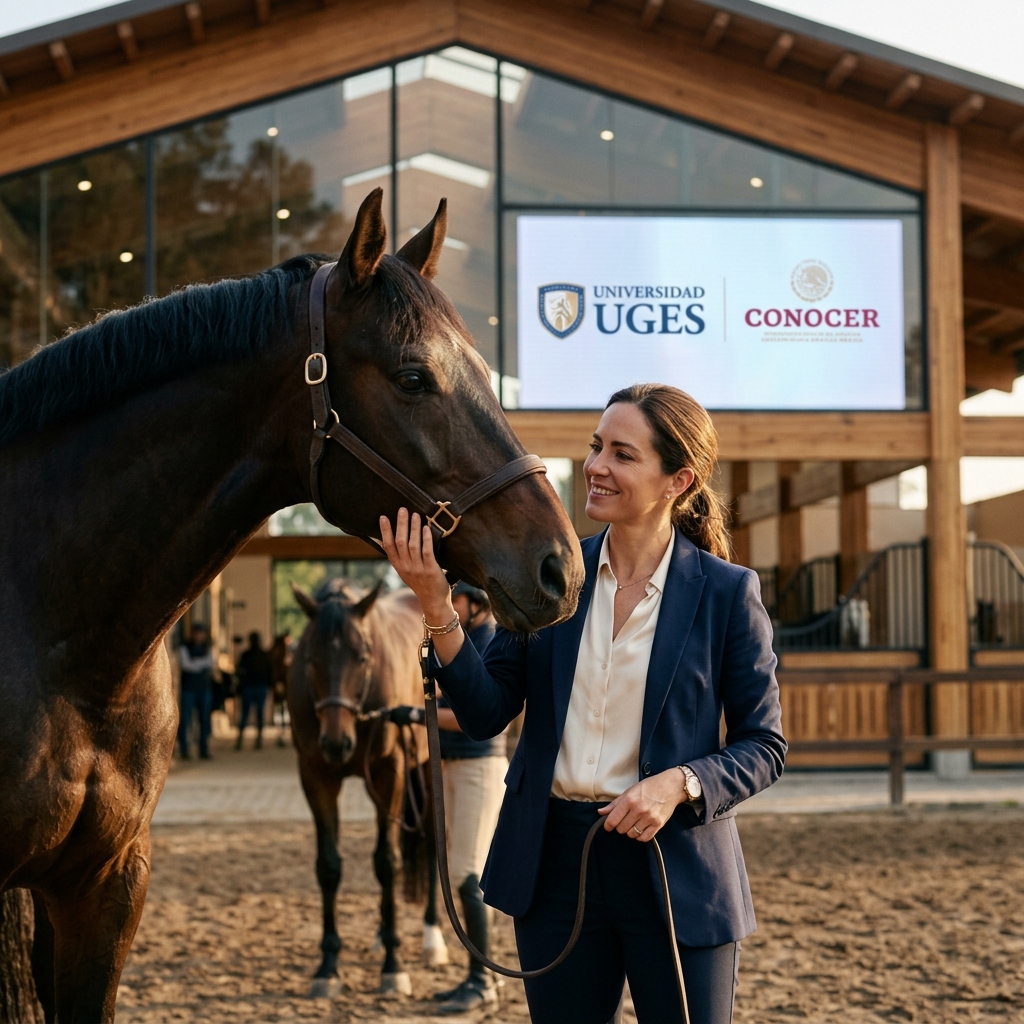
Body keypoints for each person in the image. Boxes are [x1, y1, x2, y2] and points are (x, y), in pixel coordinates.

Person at [379, 383, 786, 1024]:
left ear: (677, 480)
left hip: (675, 867)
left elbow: (765, 745)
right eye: (597, 447)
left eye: (623, 454)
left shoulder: (728, 593)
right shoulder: (550, 577)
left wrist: (678, 784)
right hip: (556, 866)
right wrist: (435, 604)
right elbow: (485, 713)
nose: (596, 466)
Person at [431, 582, 505, 1013]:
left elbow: (475, 718)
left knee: (466, 874)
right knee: (463, 871)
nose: (451, 603)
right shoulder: (466, 639)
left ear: (475, 604)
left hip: (479, 765)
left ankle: (483, 980)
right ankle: (478, 977)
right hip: (457, 765)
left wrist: (417, 714)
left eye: (456, 597)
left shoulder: (487, 640)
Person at [178, 623, 216, 760]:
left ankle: (203, 749)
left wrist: (195, 663)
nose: (199, 635)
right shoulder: (184, 647)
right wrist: (201, 663)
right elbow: (186, 665)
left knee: (204, 720)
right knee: (185, 720)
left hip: (204, 689)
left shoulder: (207, 648)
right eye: (197, 632)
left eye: (201, 633)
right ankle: (184, 750)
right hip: (189, 689)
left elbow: (210, 663)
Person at [235, 631, 273, 750]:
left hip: (255, 687)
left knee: (252, 714)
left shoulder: (256, 655)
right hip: (253, 687)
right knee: (252, 714)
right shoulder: (260, 655)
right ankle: (248, 740)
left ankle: (252, 740)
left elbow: (269, 672)